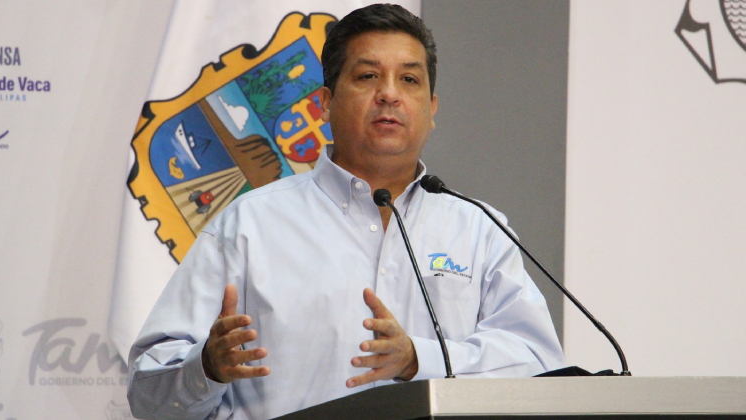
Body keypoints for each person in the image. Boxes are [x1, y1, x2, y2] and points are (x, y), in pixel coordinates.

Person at [127, 4, 564, 420]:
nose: (389, 94)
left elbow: (539, 364)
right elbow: (148, 395)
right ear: (324, 103)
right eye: (368, 75)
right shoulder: (249, 225)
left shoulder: (478, 229)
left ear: (431, 109)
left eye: (409, 79)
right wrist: (206, 368)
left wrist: (420, 359)